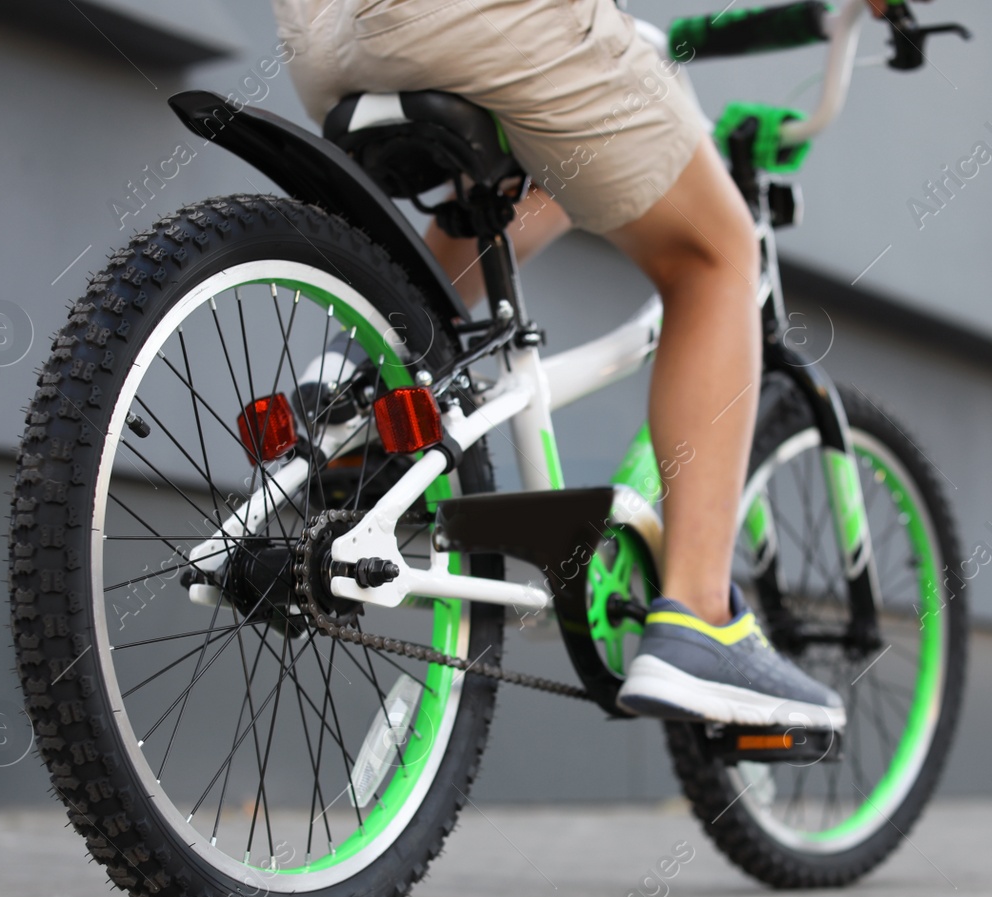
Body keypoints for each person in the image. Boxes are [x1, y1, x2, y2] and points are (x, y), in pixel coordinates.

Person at [273, 0, 904, 730]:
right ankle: (700, 614)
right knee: (719, 253)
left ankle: (362, 374)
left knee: (554, 169)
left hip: (321, 38)